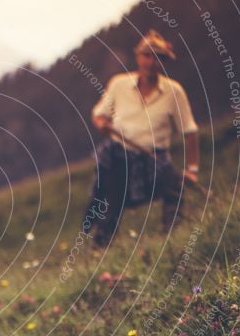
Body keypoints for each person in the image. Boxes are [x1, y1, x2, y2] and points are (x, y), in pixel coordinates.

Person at [82, 29, 200, 248]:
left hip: (156, 158)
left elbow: (189, 130)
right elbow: (99, 114)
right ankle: (98, 252)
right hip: (119, 157)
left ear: (164, 62)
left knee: (174, 189)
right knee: (110, 204)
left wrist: (192, 168)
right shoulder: (119, 84)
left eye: (158, 58)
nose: (151, 62)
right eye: (147, 55)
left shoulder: (174, 92)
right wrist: (101, 123)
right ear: (138, 57)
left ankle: (173, 240)